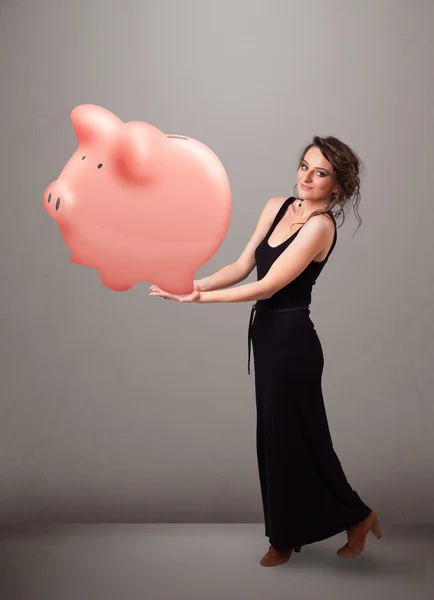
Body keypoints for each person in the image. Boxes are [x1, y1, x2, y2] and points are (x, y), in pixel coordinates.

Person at [149, 135, 382, 567]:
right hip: (269, 340)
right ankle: (332, 523)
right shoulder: (277, 206)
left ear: (337, 185)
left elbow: (267, 286)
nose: (307, 177)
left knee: (295, 440)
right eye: (304, 166)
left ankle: (315, 529)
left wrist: (202, 301)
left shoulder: (320, 226)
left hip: (293, 343)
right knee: (280, 440)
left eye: (321, 173)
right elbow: (242, 267)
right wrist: (190, 284)